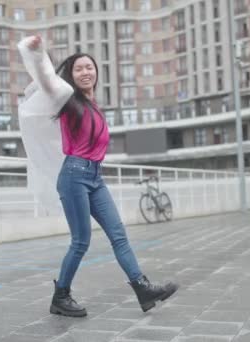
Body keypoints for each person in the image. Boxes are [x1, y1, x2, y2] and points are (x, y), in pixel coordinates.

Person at [16, 35, 178, 318]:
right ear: (71, 74)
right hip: (74, 175)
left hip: (95, 177)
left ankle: (143, 288)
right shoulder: (65, 98)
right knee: (81, 241)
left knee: (118, 234)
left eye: (89, 67)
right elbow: (45, 78)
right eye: (78, 68)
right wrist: (38, 52)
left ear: (96, 73)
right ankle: (60, 296)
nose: (85, 72)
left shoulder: (94, 107)